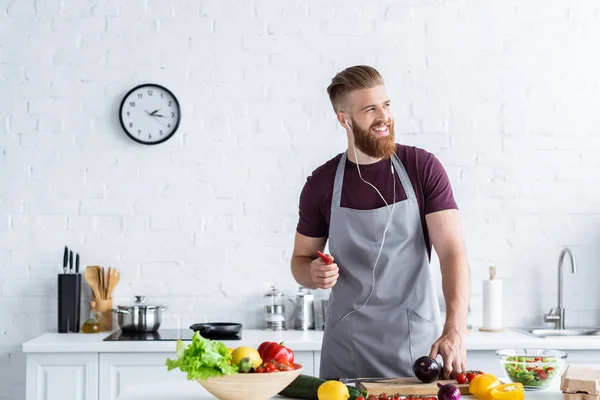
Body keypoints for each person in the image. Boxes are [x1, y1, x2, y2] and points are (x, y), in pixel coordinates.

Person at [290, 65, 470, 380]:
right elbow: (299, 260)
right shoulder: (321, 184)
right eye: (370, 109)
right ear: (344, 119)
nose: (384, 116)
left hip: (416, 349)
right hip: (348, 349)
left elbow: (452, 251)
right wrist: (312, 273)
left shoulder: (422, 168)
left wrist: (455, 328)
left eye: (385, 105)